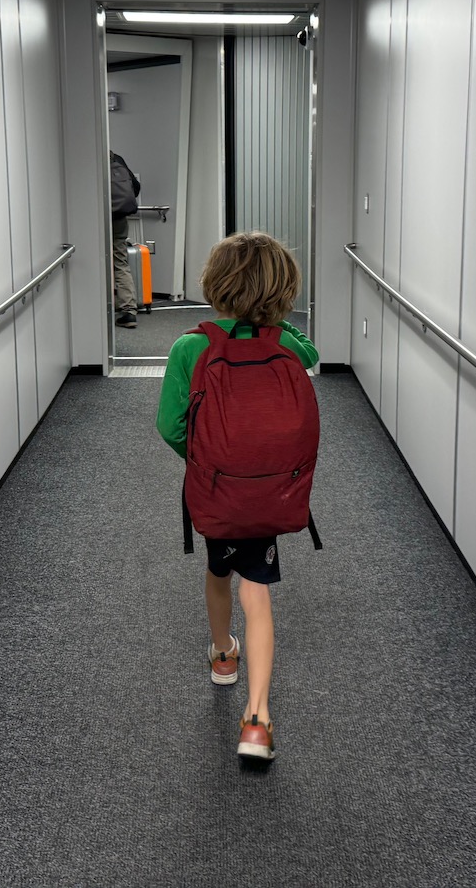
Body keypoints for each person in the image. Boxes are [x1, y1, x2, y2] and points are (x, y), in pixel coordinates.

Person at [154, 232, 319, 762]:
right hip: (269, 491)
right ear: (283, 289)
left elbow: (169, 425)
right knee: (259, 592)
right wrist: (278, 322)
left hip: (216, 490)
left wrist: (204, 462)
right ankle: (257, 720)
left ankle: (223, 654)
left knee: (218, 570)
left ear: (214, 285)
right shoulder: (288, 345)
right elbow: (311, 354)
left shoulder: (189, 345)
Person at [110, 150, 141, 327]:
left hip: (94, 218)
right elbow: (135, 186)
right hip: (119, 218)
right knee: (120, 263)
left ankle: (95, 307)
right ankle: (129, 311)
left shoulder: (87, 160)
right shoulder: (116, 158)